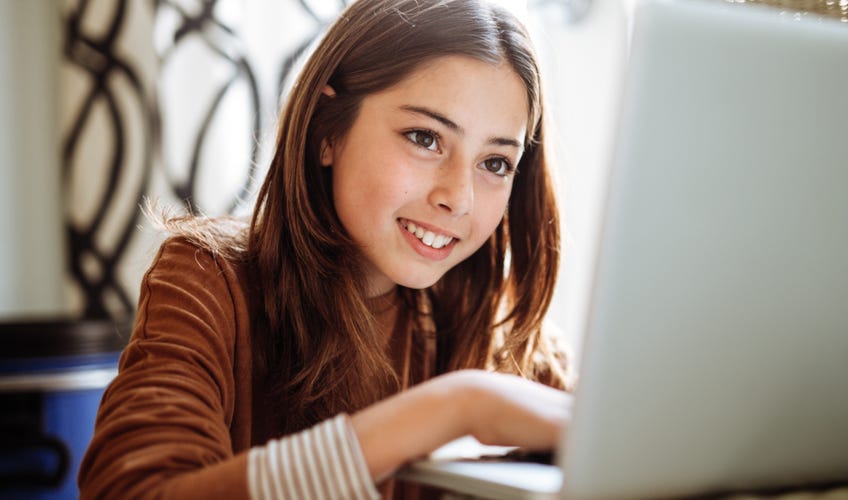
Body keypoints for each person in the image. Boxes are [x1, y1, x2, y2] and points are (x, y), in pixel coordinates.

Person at [78, 0, 574, 498]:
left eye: (495, 163)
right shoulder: (206, 279)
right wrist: (454, 408)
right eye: (425, 138)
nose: (458, 198)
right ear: (327, 130)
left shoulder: (500, 331)